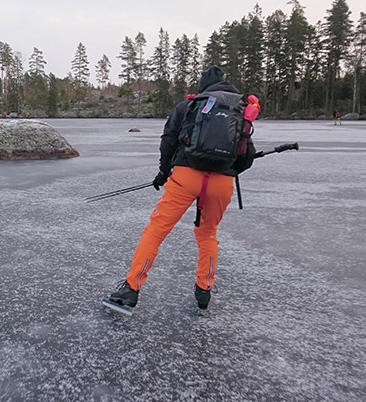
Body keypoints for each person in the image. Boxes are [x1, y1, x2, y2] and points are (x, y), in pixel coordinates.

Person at [107, 65, 256, 312]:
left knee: (156, 230)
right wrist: (227, 170)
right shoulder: (238, 110)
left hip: (185, 176)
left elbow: (169, 141)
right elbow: (246, 156)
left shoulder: (189, 106)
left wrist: (163, 173)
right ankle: (204, 290)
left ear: (203, 85)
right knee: (207, 235)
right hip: (221, 183)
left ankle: (130, 289)